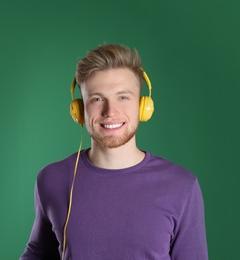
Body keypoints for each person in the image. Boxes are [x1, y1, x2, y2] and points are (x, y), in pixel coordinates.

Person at [20, 43, 208, 259]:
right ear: (80, 110)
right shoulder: (52, 179)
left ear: (143, 106)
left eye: (123, 97)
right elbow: (38, 252)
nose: (110, 112)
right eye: (97, 99)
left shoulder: (181, 185)